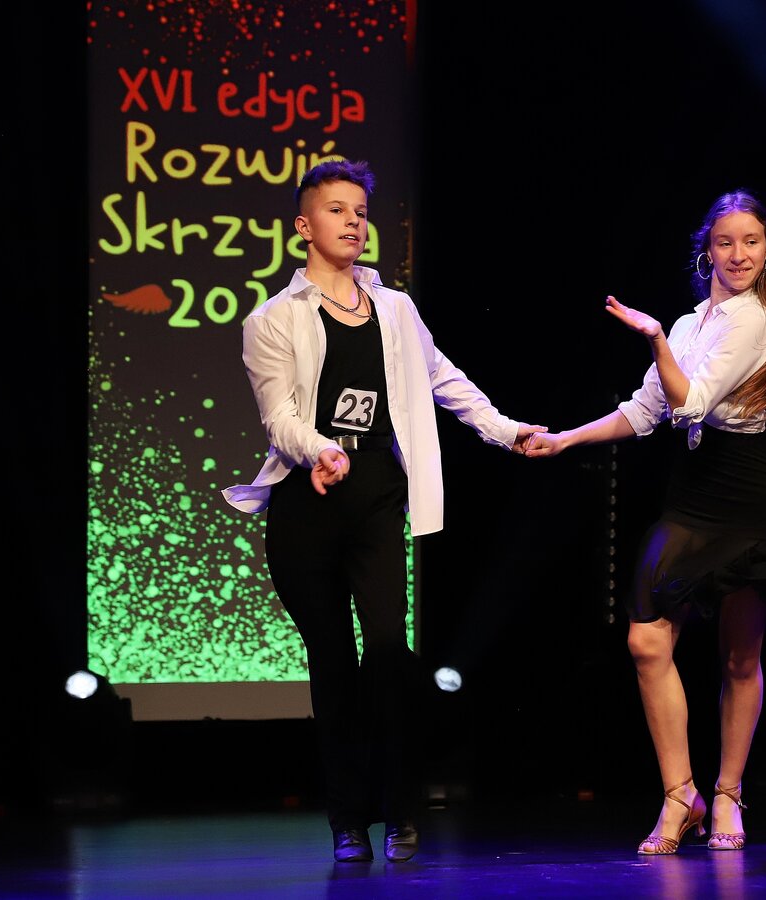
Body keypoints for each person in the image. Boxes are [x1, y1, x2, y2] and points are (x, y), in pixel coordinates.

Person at [222, 159, 545, 863]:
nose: (353, 222)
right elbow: (278, 417)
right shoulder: (272, 320)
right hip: (307, 500)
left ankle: (401, 808)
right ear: (303, 226)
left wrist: (505, 429)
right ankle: (348, 820)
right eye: (337, 210)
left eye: (361, 211)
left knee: (390, 652)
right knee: (333, 663)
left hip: (374, 489)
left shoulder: (395, 308)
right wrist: (319, 450)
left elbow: (443, 378)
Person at [525, 190, 766, 854]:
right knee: (648, 641)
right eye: (725, 242)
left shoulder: (752, 319)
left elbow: (692, 402)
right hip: (694, 490)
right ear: (707, 251)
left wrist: (653, 338)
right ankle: (681, 795)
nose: (738, 254)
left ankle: (728, 792)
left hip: (746, 494)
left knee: (739, 655)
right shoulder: (688, 324)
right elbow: (647, 411)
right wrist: (566, 439)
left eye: (751, 242)